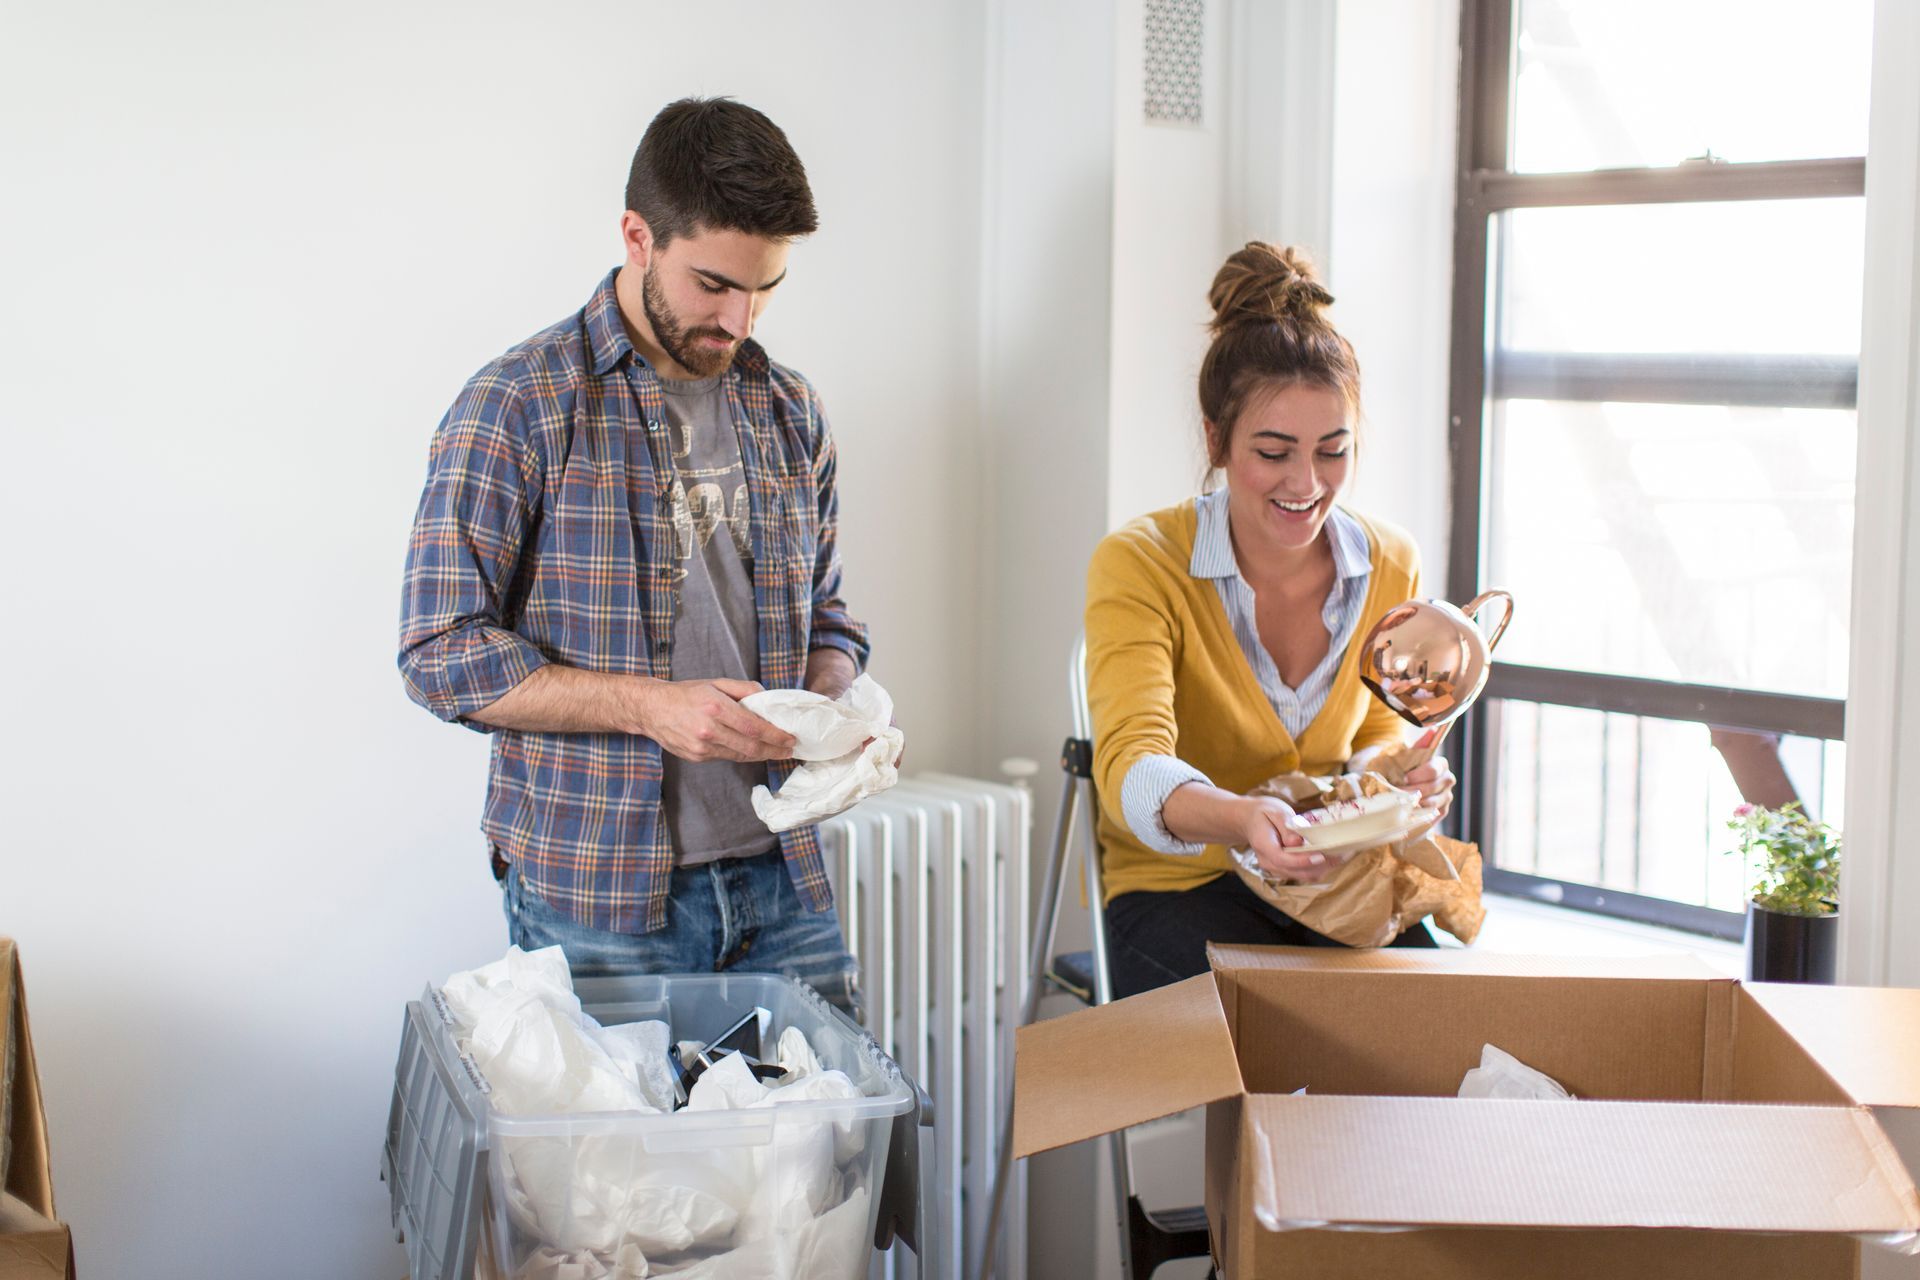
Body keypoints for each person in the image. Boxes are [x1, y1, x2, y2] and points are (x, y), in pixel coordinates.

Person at [398, 98, 871, 1015]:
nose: (740, 319)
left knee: (830, 1154)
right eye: (713, 284)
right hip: (600, 901)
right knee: (629, 1165)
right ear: (638, 236)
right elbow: (437, 653)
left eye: (765, 287)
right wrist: (650, 710)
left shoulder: (789, 409)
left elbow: (831, 614)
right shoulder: (518, 405)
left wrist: (835, 698)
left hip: (784, 882)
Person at [1085, 242, 1457, 998]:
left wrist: (1393, 781)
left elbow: (1377, 735)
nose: (1306, 484)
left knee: (1452, 1012)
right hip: (1179, 884)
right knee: (1305, 1027)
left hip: (1333, 879)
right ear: (1217, 440)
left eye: (1333, 452)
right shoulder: (1142, 561)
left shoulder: (1390, 560)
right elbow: (1130, 763)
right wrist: (1244, 820)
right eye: (1273, 452)